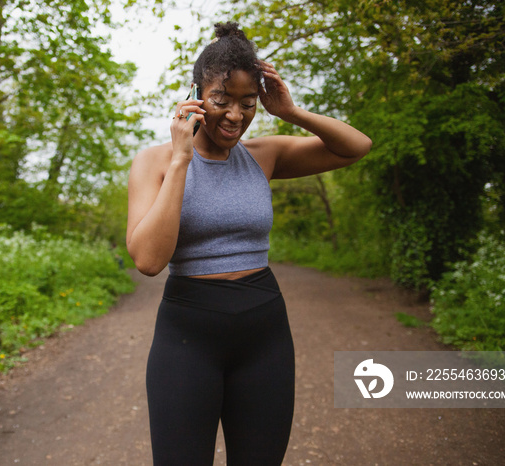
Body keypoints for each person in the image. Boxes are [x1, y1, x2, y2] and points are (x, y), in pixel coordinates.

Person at [126, 22, 372, 465]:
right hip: (187, 336)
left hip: (264, 334)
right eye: (221, 100)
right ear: (197, 95)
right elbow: (147, 260)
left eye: (248, 103)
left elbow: (356, 147)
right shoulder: (156, 161)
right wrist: (182, 157)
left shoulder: (264, 155)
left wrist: (292, 113)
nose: (235, 115)